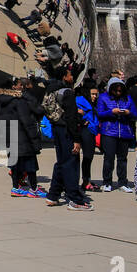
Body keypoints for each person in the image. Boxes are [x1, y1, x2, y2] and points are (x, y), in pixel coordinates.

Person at [43, 71, 94, 210]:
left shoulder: (52, 90)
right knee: (71, 163)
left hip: (57, 128)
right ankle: (74, 199)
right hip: (67, 131)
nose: (73, 77)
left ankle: (53, 195)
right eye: (70, 74)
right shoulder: (68, 93)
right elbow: (71, 118)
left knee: (61, 162)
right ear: (65, 77)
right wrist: (76, 139)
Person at [0, 78, 42, 197]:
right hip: (22, 137)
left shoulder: (3, 102)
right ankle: (33, 189)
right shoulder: (19, 101)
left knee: (15, 164)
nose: (21, 87)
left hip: (9, 137)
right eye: (19, 85)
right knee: (30, 164)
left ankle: (15, 188)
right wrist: (34, 138)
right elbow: (26, 120)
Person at [96, 77, 137, 193]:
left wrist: (129, 113)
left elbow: (135, 114)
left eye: (120, 91)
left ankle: (122, 182)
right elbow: (99, 113)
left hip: (124, 132)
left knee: (122, 159)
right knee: (109, 158)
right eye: (116, 91)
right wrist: (111, 112)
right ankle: (107, 182)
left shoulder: (128, 98)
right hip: (109, 132)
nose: (118, 93)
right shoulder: (103, 97)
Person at [76, 82, 100, 190]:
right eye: (92, 94)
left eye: (96, 94)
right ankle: (83, 181)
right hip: (84, 130)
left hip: (91, 130)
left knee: (88, 157)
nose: (94, 96)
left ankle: (86, 180)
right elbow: (73, 112)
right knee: (85, 157)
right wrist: (81, 118)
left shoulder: (92, 103)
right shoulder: (79, 100)